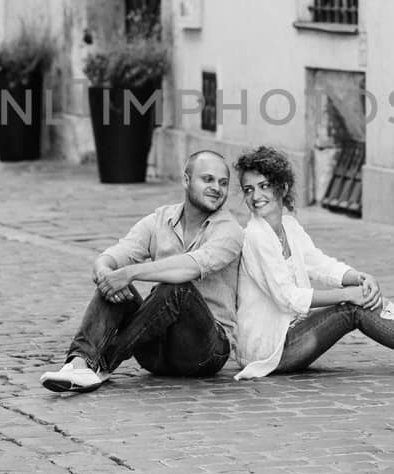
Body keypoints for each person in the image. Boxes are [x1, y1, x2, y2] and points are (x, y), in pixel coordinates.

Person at [231, 145, 394, 381]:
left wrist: (357, 277)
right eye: (249, 189)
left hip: (291, 335)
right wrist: (348, 295)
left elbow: (320, 264)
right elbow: (288, 298)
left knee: (363, 297)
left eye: (264, 186)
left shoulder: (289, 225)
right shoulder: (256, 235)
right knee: (353, 308)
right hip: (269, 350)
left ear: (282, 187)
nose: (256, 196)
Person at [40, 150, 243, 394]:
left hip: (205, 351)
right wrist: (105, 271)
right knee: (113, 286)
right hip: (155, 354)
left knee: (176, 287)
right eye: (208, 179)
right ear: (186, 180)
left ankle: (100, 365)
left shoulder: (230, 230)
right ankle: (78, 364)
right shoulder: (160, 219)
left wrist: (130, 274)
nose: (217, 188)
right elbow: (117, 253)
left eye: (223, 183)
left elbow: (189, 267)